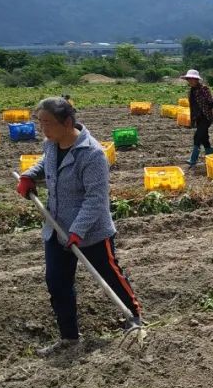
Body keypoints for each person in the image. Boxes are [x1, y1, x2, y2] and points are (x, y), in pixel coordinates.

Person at [16, 97, 144, 355]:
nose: (43, 128)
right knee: (57, 282)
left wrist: (77, 231)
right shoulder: (51, 144)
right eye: (40, 122)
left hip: (91, 232)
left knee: (111, 275)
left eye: (47, 123)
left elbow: (96, 199)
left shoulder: (92, 153)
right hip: (56, 228)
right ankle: (69, 337)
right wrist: (30, 175)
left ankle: (135, 318)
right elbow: (46, 163)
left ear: (67, 122)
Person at [182, 69, 213, 167]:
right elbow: (192, 106)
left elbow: (211, 103)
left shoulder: (204, 89)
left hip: (206, 116)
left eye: (192, 79)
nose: (190, 81)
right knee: (204, 137)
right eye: (188, 79)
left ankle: (193, 159)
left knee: (197, 136)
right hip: (197, 117)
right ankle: (210, 155)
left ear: (197, 80)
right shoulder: (191, 91)